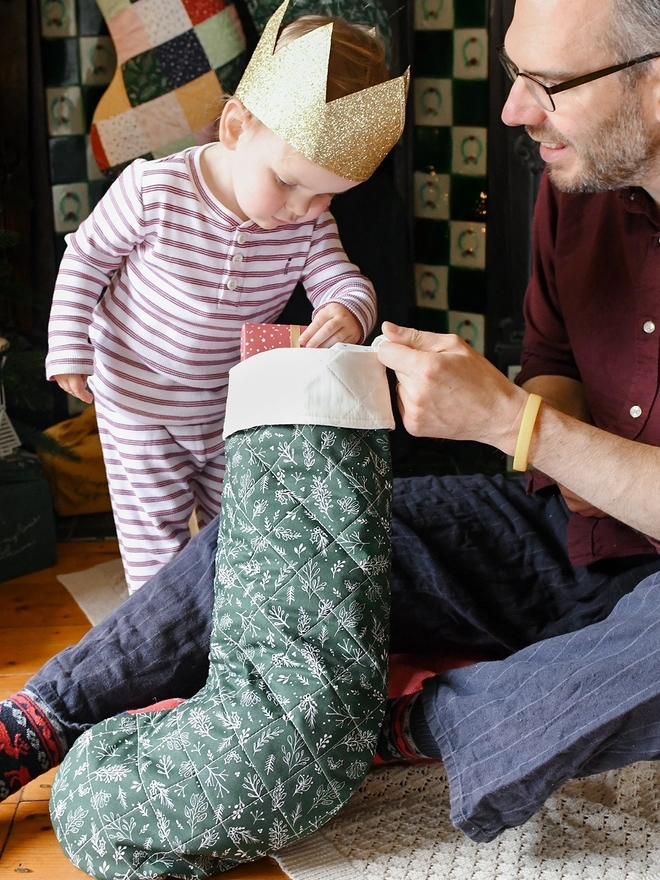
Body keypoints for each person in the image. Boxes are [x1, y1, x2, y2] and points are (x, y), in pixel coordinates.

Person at [8, 0, 660, 844]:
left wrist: (519, 426)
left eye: (548, 84)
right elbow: (555, 360)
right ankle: (37, 718)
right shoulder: (576, 192)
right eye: (510, 76)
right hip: (571, 535)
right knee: (305, 525)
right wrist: (561, 457)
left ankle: (410, 728)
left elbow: (523, 404)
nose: (513, 111)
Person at [45, 10, 403, 592]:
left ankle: (226, 633)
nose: (302, 208)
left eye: (326, 196)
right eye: (288, 183)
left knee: (236, 527)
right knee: (155, 540)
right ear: (236, 128)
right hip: (139, 399)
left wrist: (346, 310)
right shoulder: (153, 189)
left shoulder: (307, 226)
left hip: (226, 403)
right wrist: (67, 347)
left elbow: (343, 279)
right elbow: (86, 259)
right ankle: (159, 642)